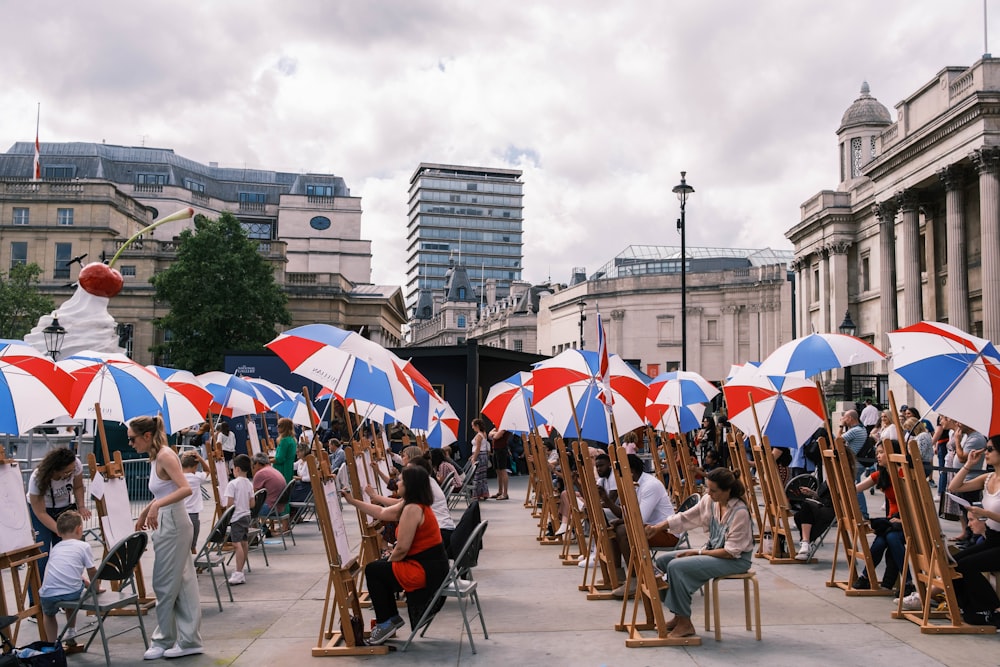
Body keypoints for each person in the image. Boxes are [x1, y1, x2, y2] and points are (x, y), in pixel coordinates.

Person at [342, 466, 449, 645]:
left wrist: (388, 563)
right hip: (428, 565)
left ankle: (386, 622)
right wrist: (353, 502)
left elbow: (402, 549)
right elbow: (382, 513)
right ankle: (390, 619)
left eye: (401, 480)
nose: (397, 482)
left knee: (374, 571)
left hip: (426, 570)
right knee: (379, 568)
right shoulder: (411, 503)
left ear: (410, 485)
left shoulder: (413, 508)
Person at [129, 415, 203, 660]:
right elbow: (168, 489)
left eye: (132, 439)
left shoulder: (164, 456)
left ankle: (164, 639)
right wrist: (147, 510)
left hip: (173, 522)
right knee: (182, 582)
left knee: (164, 583)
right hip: (171, 520)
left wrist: (155, 506)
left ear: (146, 436)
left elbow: (185, 488)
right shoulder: (160, 455)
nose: (130, 443)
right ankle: (188, 639)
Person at [649, 468, 754, 639]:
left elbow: (731, 552)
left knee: (676, 566)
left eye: (713, 490)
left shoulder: (739, 512)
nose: (709, 493)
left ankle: (685, 623)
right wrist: (657, 528)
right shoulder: (710, 501)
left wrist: (697, 552)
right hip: (715, 551)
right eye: (707, 488)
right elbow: (685, 518)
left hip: (735, 560)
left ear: (727, 490)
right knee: (662, 563)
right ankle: (678, 615)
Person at [946, 439, 1000, 626]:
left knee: (967, 565)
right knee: (953, 562)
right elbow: (954, 487)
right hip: (992, 539)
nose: (985, 452)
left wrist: (985, 514)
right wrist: (968, 464)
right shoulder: (988, 478)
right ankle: (967, 606)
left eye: (990, 449)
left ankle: (992, 608)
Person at [609, 454, 677, 597]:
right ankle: (619, 575)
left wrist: (621, 521)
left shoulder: (650, 485)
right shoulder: (634, 484)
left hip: (666, 532)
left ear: (631, 471)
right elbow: (627, 514)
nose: (619, 478)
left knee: (623, 531)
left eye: (621, 473)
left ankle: (635, 578)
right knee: (614, 531)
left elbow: (639, 518)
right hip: (650, 528)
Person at [26, 447, 92, 589]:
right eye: (66, 472)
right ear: (55, 470)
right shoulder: (37, 478)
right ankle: (36, 600)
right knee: (41, 554)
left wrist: (81, 506)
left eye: (71, 471)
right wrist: (59, 530)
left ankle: (67, 592)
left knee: (67, 553)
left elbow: (79, 486)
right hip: (43, 511)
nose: (69, 474)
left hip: (65, 508)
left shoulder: (75, 465)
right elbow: (40, 512)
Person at [38, 510, 96, 645]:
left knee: (48, 614)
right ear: (79, 529)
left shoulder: (56, 548)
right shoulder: (84, 546)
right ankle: (71, 631)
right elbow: (92, 570)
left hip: (48, 593)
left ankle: (52, 644)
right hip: (70, 592)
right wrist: (95, 587)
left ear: (58, 532)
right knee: (73, 588)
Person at [854, 443, 906, 591]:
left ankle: (907, 582)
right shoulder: (881, 474)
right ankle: (868, 577)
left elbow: (918, 503)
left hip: (908, 521)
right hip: (892, 520)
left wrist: (904, 521)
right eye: (877, 452)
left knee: (890, 538)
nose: (877, 455)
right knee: (882, 541)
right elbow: (855, 489)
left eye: (881, 452)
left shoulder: (905, 474)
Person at [224, 454, 255, 586]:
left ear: (236, 469)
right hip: (246, 514)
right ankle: (241, 570)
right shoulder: (249, 483)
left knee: (237, 544)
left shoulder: (232, 484)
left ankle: (238, 572)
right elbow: (252, 503)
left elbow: (230, 503)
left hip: (236, 516)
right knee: (244, 542)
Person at [840, 409, 869, 520]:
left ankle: (862, 513)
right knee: (856, 487)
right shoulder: (861, 428)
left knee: (856, 488)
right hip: (858, 462)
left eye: (845, 417)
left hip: (854, 463)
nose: (843, 419)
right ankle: (861, 513)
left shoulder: (855, 430)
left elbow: (838, 440)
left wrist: (840, 426)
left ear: (850, 418)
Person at [180, 451, 210, 553]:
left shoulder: (177, 477)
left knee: (181, 543)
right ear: (195, 466)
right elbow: (207, 470)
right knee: (192, 544)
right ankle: (194, 565)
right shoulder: (196, 477)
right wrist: (201, 459)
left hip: (180, 512)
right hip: (193, 513)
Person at [250, 453, 288, 527]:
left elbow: (253, 494)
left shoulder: (260, 473)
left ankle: (255, 534)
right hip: (280, 507)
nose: (253, 468)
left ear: (257, 463)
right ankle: (266, 530)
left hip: (271, 508)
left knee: (247, 509)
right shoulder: (273, 470)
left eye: (253, 465)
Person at [470, 418, 491, 501]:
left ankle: (476, 494)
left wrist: (474, 458)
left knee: (477, 475)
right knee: (482, 476)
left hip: (479, 456)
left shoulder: (479, 435)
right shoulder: (484, 433)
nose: (472, 427)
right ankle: (483, 492)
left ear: (477, 426)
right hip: (483, 455)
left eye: (473, 426)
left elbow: (478, 448)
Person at [489, 427, 511, 500]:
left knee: (503, 470)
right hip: (496, 449)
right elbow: (490, 434)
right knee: (498, 471)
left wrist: (495, 434)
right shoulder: (498, 427)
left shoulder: (504, 427)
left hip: (501, 450)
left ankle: (505, 493)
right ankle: (500, 491)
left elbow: (496, 436)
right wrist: (495, 433)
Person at [274, 418, 297, 483]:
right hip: (288, 469)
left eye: (279, 425)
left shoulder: (284, 441)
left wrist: (266, 461)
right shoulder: (292, 440)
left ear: (284, 427)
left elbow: (279, 459)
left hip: (281, 470)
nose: (277, 427)